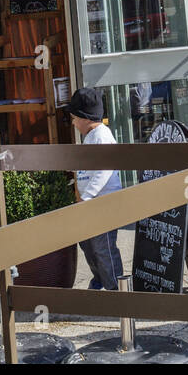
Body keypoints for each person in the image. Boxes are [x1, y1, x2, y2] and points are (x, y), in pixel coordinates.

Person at [68, 87, 124, 291]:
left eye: (74, 118)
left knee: (104, 247)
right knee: (88, 245)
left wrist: (87, 195)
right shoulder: (90, 137)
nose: (73, 123)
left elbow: (104, 169)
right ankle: (99, 278)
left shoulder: (102, 135)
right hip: (90, 203)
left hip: (103, 203)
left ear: (85, 117)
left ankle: (114, 287)